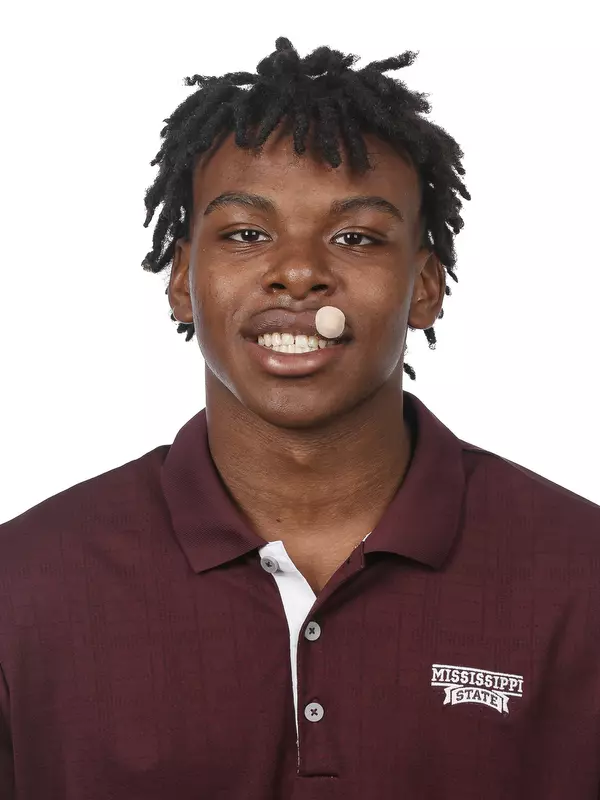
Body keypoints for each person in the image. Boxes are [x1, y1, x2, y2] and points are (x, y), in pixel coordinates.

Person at [1, 37, 599, 800]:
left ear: (425, 287)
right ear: (182, 280)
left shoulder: (583, 573)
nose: (299, 271)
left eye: (355, 237)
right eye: (248, 234)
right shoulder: (22, 586)